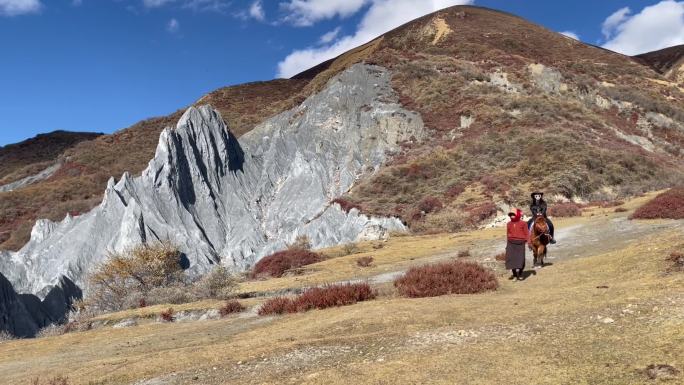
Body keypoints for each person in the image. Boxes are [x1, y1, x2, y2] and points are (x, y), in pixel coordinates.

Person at [506, 208, 529, 281]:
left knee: (520, 259)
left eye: (513, 214)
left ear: (517, 215)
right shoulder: (508, 224)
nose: (512, 216)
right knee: (511, 259)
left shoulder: (523, 223)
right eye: (510, 215)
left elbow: (527, 233)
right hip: (511, 243)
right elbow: (508, 234)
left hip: (520, 243)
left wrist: (529, 242)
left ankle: (521, 273)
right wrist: (507, 244)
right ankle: (515, 275)